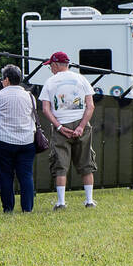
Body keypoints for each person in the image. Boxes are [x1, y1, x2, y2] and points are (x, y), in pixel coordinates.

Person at [38, 51, 97, 209]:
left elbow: (45, 109)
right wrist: (81, 126)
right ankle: (89, 200)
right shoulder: (81, 79)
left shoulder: (50, 82)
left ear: (56, 65)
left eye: (51, 65)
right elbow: (90, 106)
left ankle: (61, 202)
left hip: (61, 126)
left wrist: (59, 127)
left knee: (60, 165)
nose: (51, 68)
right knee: (86, 163)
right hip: (81, 124)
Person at [0, 64, 36, 212]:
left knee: (5, 175)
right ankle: (27, 208)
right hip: (26, 140)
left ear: (7, 79)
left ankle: (8, 208)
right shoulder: (29, 96)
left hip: (3, 140)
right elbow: (34, 118)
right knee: (26, 175)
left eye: (2, 79)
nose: (2, 81)